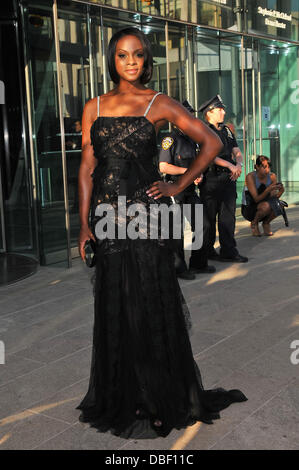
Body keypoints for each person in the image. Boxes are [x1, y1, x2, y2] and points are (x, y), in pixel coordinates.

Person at [77, 28, 247, 439]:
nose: (131, 62)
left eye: (137, 54)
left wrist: (178, 184)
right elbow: (85, 168)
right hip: (106, 219)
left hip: (146, 218)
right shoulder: (93, 106)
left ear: (146, 59)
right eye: (122, 55)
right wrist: (83, 224)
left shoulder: (159, 103)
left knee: (150, 303)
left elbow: (208, 142)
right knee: (117, 304)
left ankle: (159, 399)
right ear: (112, 60)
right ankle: (126, 394)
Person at [159, 100, 216, 280]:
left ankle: (198, 263)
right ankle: (179, 268)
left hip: (190, 189)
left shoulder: (193, 140)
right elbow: (163, 167)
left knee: (204, 225)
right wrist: (189, 172)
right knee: (176, 231)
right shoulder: (170, 139)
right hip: (174, 189)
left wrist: (198, 175)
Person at [197, 94, 248, 263]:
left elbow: (236, 150)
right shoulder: (204, 130)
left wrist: (239, 164)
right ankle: (207, 251)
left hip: (228, 179)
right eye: (220, 109)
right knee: (209, 218)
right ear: (209, 112)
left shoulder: (226, 130)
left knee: (228, 217)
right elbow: (207, 155)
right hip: (211, 179)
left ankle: (228, 251)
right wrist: (230, 165)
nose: (223, 112)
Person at [242, 155, 285, 236]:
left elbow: (273, 198)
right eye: (264, 167)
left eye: (269, 167)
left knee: (280, 205)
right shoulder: (250, 177)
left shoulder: (272, 176)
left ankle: (266, 223)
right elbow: (256, 199)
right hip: (249, 207)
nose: (267, 170)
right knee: (266, 206)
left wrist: (281, 191)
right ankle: (254, 223)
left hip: (264, 204)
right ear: (257, 167)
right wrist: (268, 189)